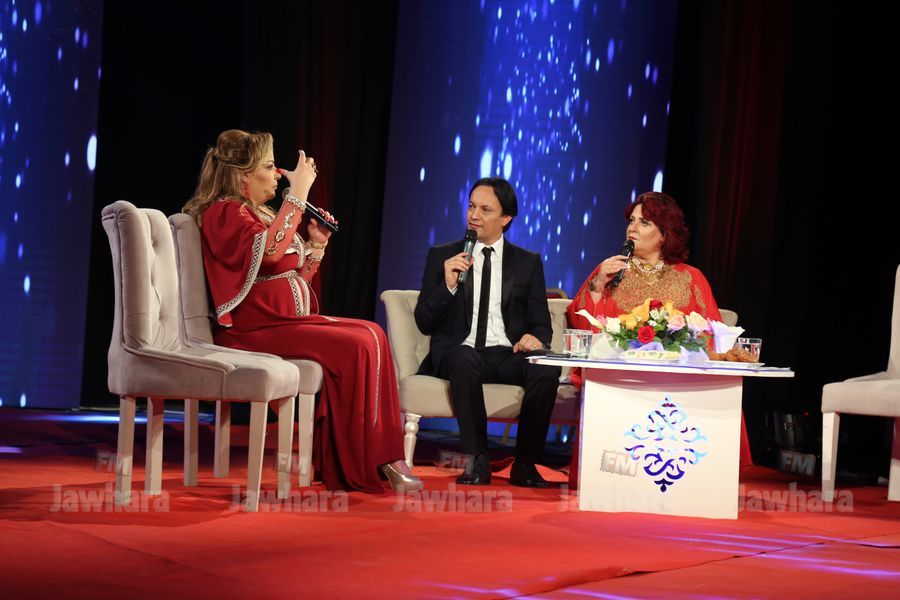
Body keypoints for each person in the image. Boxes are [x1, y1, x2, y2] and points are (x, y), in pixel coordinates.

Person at [182, 129, 422, 494]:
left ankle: (377, 456)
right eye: (269, 166)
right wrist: (298, 194)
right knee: (360, 343)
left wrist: (316, 245)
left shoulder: (259, 213)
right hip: (251, 330)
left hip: (280, 324)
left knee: (372, 332)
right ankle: (366, 460)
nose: (278, 174)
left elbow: (291, 275)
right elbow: (271, 255)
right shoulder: (224, 213)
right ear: (243, 176)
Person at [567, 191, 752, 468]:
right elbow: (582, 327)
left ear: (664, 234)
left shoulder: (691, 277)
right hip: (623, 380)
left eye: (644, 222)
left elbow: (713, 334)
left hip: (680, 382)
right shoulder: (611, 271)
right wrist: (597, 285)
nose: (632, 228)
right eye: (631, 220)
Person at [415, 177, 561, 487]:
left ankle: (525, 464)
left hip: (507, 354)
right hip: (461, 352)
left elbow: (541, 325)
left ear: (506, 218)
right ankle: (477, 460)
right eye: (471, 206)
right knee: (464, 357)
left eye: (485, 209)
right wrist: (448, 286)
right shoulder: (443, 256)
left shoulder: (528, 263)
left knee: (546, 367)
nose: (474, 215)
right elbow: (424, 322)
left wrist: (534, 338)